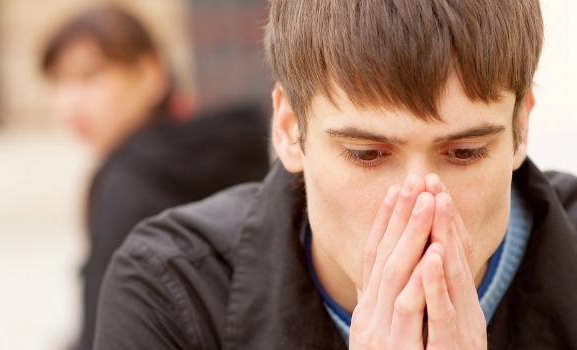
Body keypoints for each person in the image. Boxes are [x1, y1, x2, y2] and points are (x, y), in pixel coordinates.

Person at [95, 0, 577, 349]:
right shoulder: (173, 292)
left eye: (466, 152)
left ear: (520, 129)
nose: (421, 201)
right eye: (367, 154)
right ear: (288, 130)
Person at [40, 5, 270, 350]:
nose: (69, 102)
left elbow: (104, 330)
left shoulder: (127, 181)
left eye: (90, 77)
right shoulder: (226, 151)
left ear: (150, 76)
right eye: (58, 80)